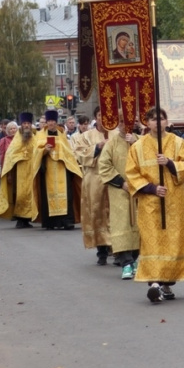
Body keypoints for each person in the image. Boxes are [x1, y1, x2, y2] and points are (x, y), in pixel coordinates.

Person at [126, 107, 184, 303]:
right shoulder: (137, 146)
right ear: (147, 122)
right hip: (150, 204)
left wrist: (170, 163)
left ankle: (167, 284)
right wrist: (151, 188)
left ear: (166, 121)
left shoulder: (177, 142)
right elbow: (132, 173)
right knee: (152, 242)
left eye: (160, 119)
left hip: (174, 202)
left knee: (172, 243)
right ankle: (154, 284)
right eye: (153, 119)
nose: (157, 122)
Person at [98, 117, 140, 280]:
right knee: (121, 225)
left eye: (130, 121)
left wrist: (135, 144)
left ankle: (135, 258)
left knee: (139, 224)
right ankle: (125, 262)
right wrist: (121, 183)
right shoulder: (112, 143)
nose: (125, 125)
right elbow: (104, 165)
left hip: (139, 189)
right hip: (119, 191)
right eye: (122, 122)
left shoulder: (141, 141)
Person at [73, 107, 112, 264]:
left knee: (115, 215)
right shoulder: (86, 136)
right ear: (96, 117)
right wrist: (97, 147)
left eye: (107, 115)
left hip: (115, 180)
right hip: (94, 179)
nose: (103, 118)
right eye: (100, 115)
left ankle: (118, 250)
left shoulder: (117, 133)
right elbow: (79, 154)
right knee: (97, 214)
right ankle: (101, 251)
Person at [35, 110, 83, 230]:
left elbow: (69, 152)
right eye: (49, 121)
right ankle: (51, 222)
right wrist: (44, 150)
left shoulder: (62, 136)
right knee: (49, 195)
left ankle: (66, 221)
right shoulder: (40, 135)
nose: (51, 123)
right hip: (48, 170)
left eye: (53, 121)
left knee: (66, 195)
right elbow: (35, 152)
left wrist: (64, 156)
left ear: (56, 122)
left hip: (62, 169)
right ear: (46, 122)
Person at [0, 113, 42, 228]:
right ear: (21, 125)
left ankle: (30, 218)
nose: (26, 125)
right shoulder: (17, 137)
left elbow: (39, 150)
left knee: (32, 193)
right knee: (21, 195)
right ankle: (21, 219)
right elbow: (11, 154)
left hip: (33, 170)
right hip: (20, 172)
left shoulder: (36, 136)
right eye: (24, 123)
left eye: (28, 123)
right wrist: (21, 156)